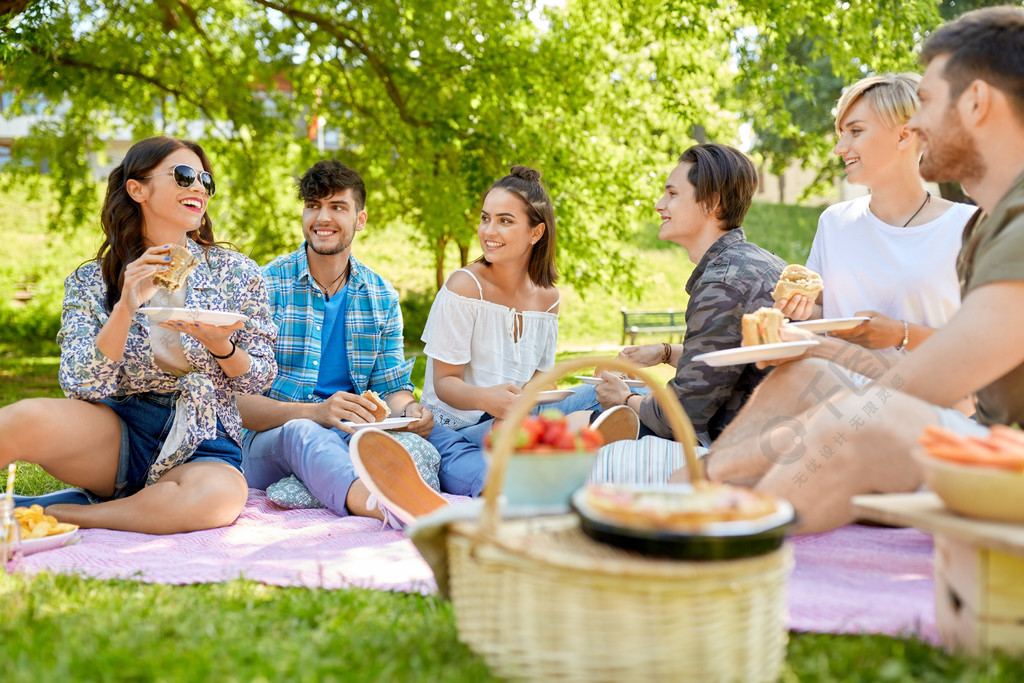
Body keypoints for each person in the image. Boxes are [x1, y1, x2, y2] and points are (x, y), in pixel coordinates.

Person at [702, 6, 1024, 532]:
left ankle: (713, 534)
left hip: (1003, 453)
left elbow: (932, 381)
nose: (916, 123)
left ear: (977, 102)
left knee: (852, 423)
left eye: (926, 103)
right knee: (804, 377)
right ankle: (693, 500)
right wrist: (809, 351)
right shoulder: (992, 220)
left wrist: (825, 352)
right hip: (977, 436)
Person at [1, 136, 277, 534]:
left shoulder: (236, 272)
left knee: (216, 501)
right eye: (184, 176)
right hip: (119, 430)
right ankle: (125, 502)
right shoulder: (91, 280)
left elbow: (261, 376)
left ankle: (50, 514)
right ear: (137, 188)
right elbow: (81, 384)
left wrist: (222, 346)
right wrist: (125, 307)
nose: (199, 187)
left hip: (206, 438)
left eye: (206, 180)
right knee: (27, 416)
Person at [236, 160, 484, 526]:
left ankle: (505, 496)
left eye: (337, 207)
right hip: (268, 441)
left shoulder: (381, 295)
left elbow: (392, 389)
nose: (322, 218)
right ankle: (385, 506)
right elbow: (238, 404)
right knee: (303, 434)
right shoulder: (264, 285)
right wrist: (316, 413)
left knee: (439, 436)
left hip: (352, 433)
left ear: (360, 219)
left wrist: (410, 412)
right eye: (313, 206)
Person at [588, 143, 787, 448]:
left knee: (577, 418)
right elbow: (727, 362)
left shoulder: (723, 283)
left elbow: (681, 416)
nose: (659, 204)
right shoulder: (753, 262)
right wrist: (666, 352)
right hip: (768, 432)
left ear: (712, 203)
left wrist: (625, 398)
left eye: (672, 194)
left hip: (743, 447)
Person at [777, 73, 976, 355]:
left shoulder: (969, 226)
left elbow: (991, 342)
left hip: (928, 395)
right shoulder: (834, 223)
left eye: (855, 131)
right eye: (841, 134)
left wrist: (902, 334)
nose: (839, 148)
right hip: (843, 393)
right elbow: (830, 316)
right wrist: (799, 311)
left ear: (904, 135)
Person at [418, 166, 604, 446]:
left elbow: (541, 382)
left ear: (536, 232)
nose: (489, 231)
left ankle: (566, 434)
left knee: (604, 394)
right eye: (485, 218)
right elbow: (444, 384)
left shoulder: (548, 298)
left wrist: (526, 402)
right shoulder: (464, 286)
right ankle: (568, 437)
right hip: (461, 431)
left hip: (517, 416)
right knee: (525, 438)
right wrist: (488, 400)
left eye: (505, 221)